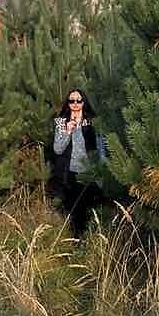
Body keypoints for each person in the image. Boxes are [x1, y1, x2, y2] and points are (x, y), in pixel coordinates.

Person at [47, 87, 106, 236]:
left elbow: (101, 148)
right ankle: (77, 243)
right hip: (70, 173)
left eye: (78, 100)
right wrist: (67, 131)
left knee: (91, 210)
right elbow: (58, 149)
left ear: (84, 102)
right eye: (71, 100)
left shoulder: (92, 121)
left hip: (90, 172)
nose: (75, 103)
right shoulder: (61, 122)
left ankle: (92, 241)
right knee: (75, 212)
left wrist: (102, 170)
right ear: (68, 103)